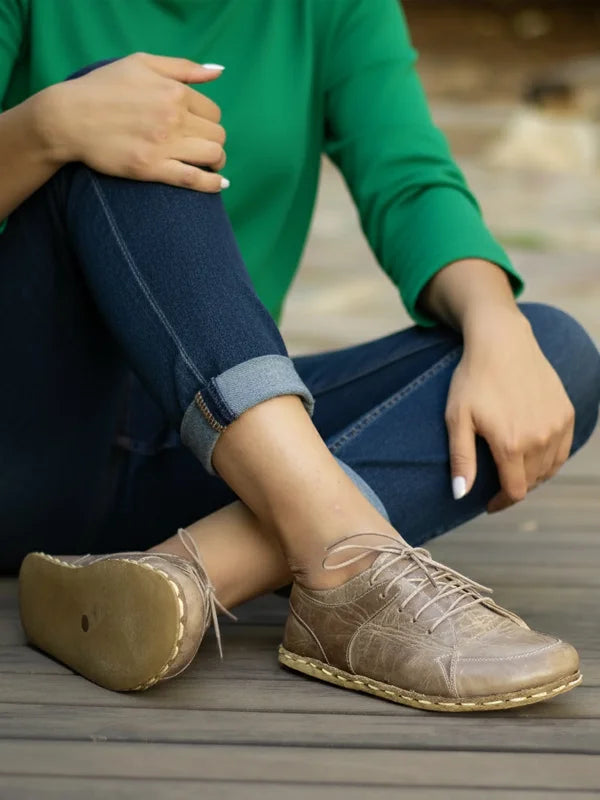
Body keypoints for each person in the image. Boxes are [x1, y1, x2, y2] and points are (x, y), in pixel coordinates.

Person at [2, 0, 599, 712]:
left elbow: (407, 181)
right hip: (28, 436)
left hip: (210, 445)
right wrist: (47, 128)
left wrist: (495, 323)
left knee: (548, 353)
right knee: (135, 113)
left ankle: (177, 577)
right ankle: (342, 556)